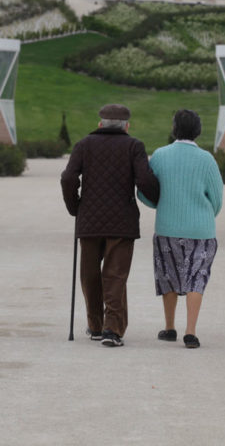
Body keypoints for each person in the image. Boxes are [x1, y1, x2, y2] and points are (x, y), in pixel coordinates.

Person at [60, 104, 159, 347]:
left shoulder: (84, 145)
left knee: (89, 275)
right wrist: (156, 198)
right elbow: (145, 179)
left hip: (89, 220)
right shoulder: (134, 146)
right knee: (115, 275)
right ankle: (112, 329)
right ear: (127, 126)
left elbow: (68, 178)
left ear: (99, 124)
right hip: (122, 221)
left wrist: (75, 207)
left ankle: (95, 325)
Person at [138, 109, 222, 349]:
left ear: (174, 129)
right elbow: (216, 198)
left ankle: (170, 327)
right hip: (201, 230)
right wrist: (205, 214)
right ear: (198, 131)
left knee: (168, 276)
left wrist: (160, 205)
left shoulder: (160, 156)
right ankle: (191, 331)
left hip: (167, 227)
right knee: (197, 278)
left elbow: (145, 192)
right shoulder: (207, 159)